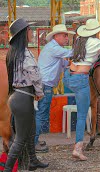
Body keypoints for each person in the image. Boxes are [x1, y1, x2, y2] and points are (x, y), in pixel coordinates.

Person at [63, 19, 100, 161]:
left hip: (68, 76)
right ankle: (77, 149)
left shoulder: (79, 41)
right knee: (82, 115)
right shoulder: (96, 43)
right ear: (96, 31)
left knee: (84, 104)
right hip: (80, 79)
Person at [5, 18, 49, 171]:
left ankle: (33, 161)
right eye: (29, 30)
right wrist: (39, 92)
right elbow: (35, 74)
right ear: (24, 34)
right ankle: (7, 169)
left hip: (18, 96)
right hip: (24, 97)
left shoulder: (13, 53)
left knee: (30, 130)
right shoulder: (25, 53)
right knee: (20, 139)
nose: (31, 32)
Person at [35, 24, 75, 152]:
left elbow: (64, 63)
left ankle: (34, 140)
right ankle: (34, 142)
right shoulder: (54, 48)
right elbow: (72, 53)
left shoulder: (54, 49)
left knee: (41, 113)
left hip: (45, 84)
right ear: (56, 36)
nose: (67, 39)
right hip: (45, 85)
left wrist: (70, 63)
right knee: (41, 113)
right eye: (65, 36)